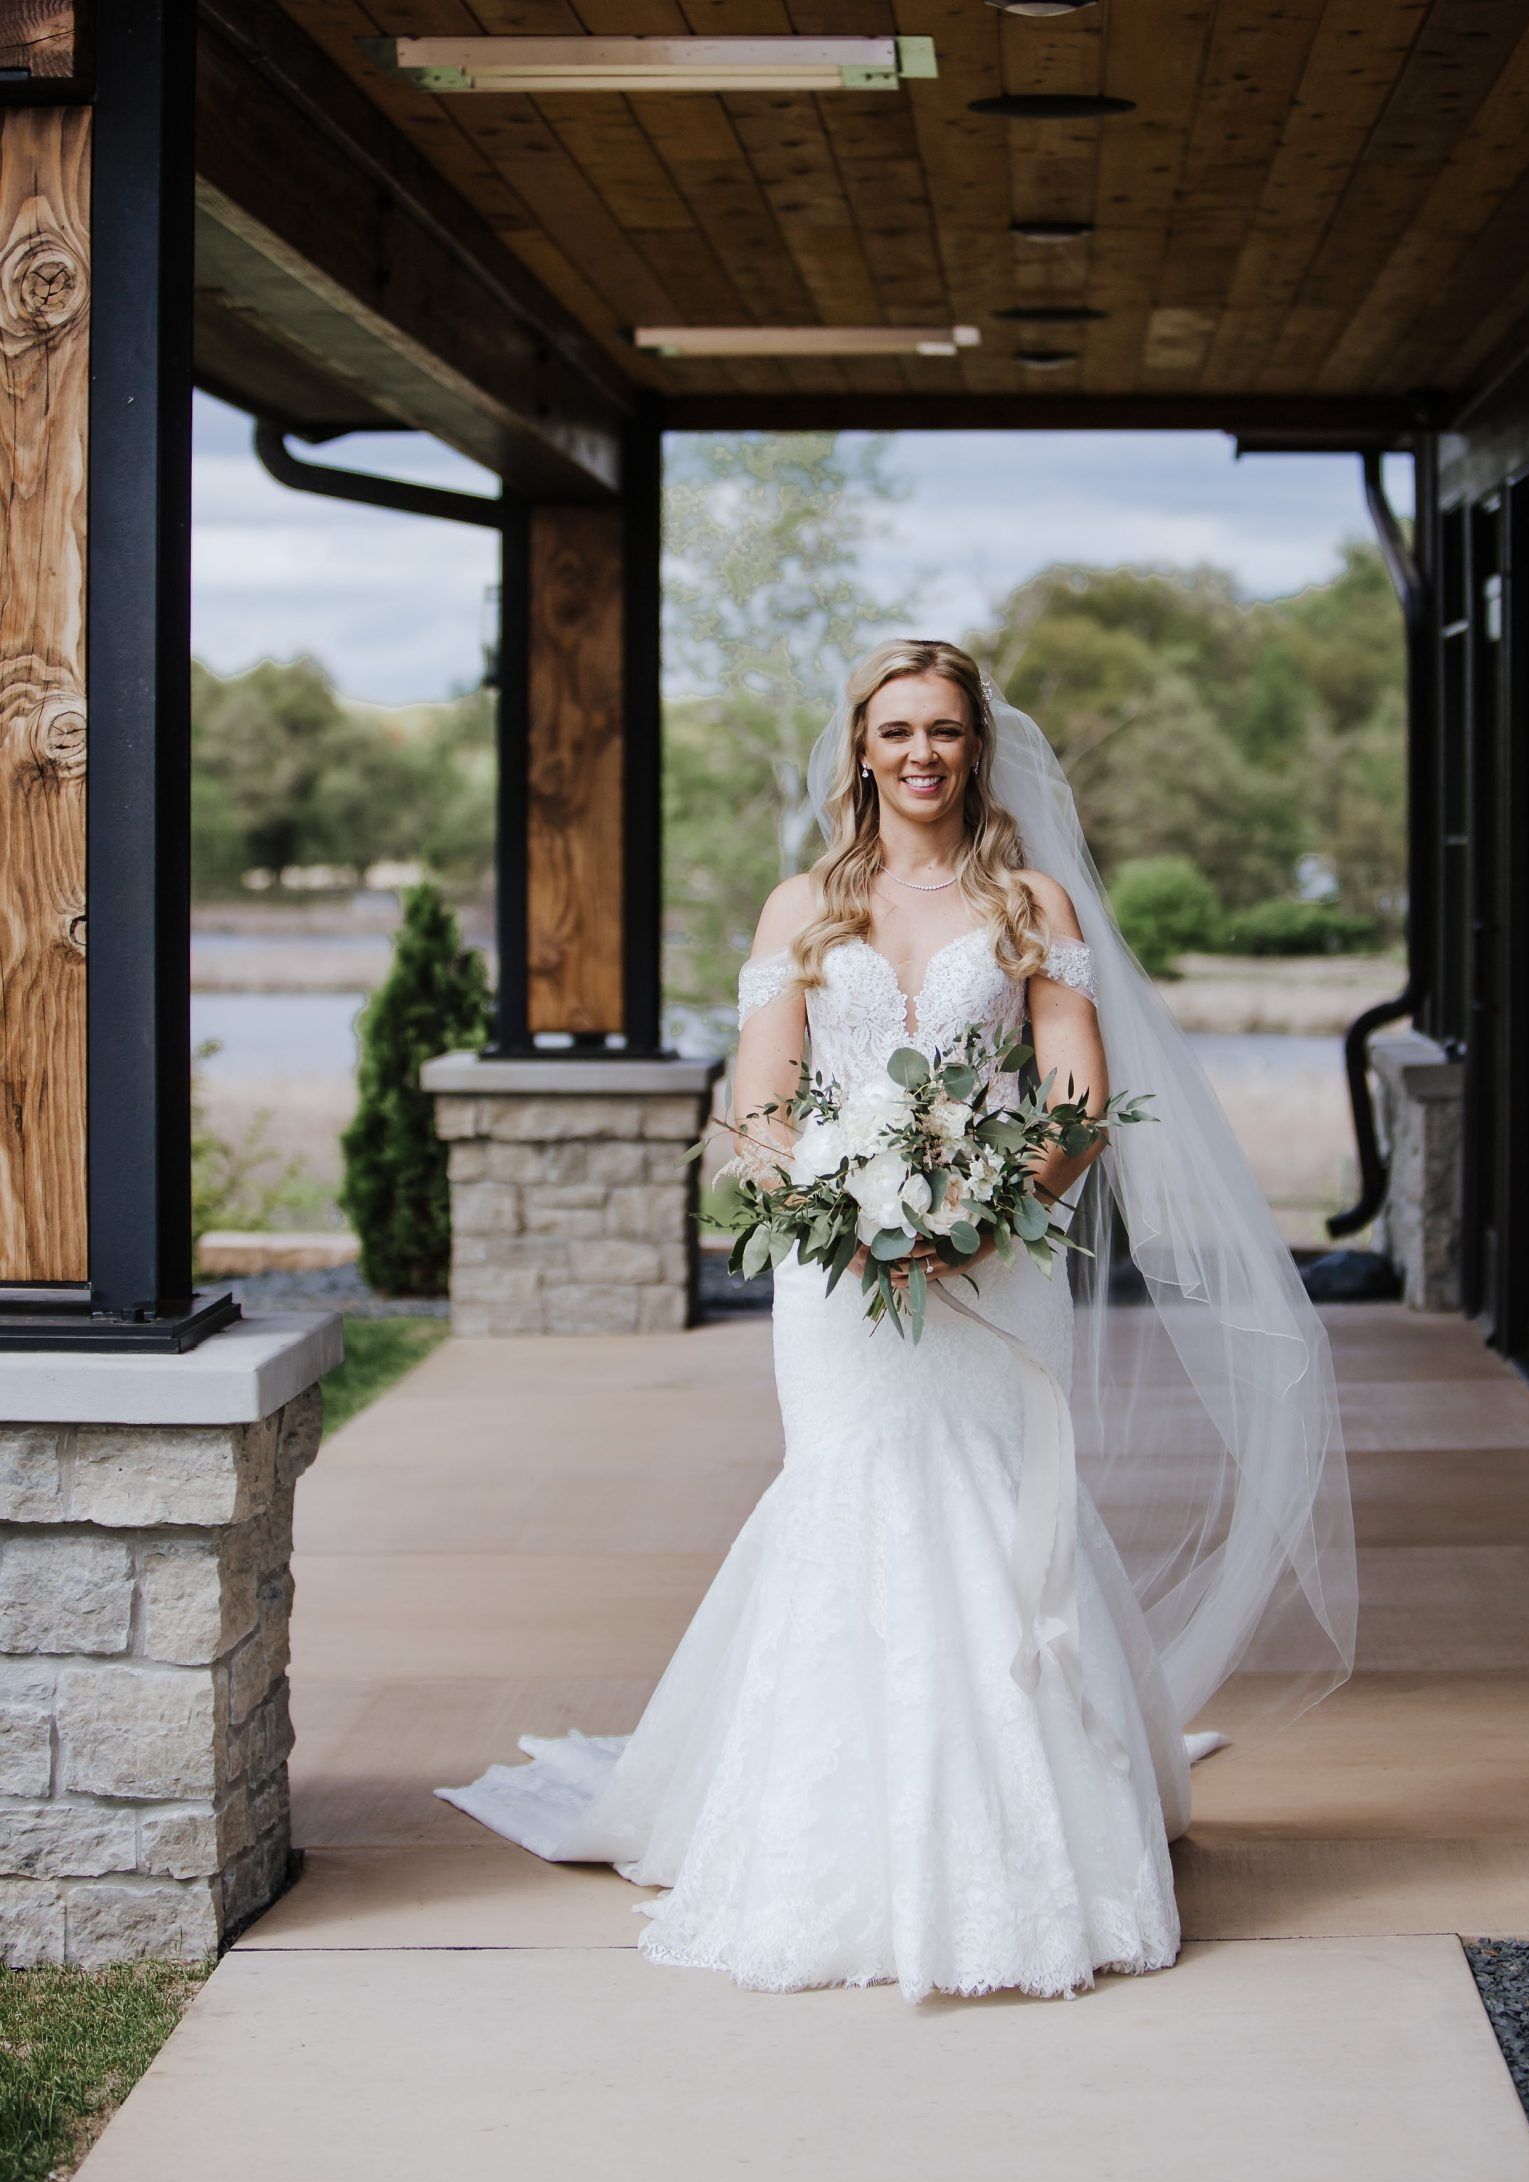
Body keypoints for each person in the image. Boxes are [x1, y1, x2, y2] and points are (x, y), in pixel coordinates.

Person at [439, 637, 1356, 2002]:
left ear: (976, 745)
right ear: (859, 749)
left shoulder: (1031, 899)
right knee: (853, 1500)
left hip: (998, 1258)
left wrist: (982, 1212)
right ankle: (830, 1839)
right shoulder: (799, 906)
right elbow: (758, 1112)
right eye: (894, 731)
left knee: (996, 1502)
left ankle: (1038, 1827)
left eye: (942, 730)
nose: (919, 754)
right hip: (836, 1279)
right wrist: (822, 1204)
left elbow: (1079, 1103)